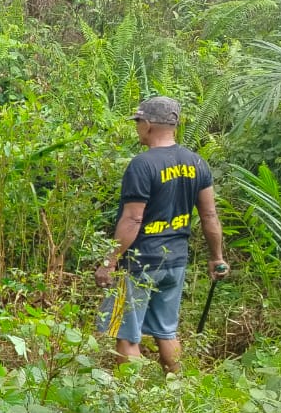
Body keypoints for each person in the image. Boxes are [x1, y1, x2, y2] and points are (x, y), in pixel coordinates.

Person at [95, 96, 229, 372]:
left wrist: (110, 261)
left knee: (126, 334)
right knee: (167, 332)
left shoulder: (142, 165)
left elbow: (133, 218)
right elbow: (209, 216)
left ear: (148, 125)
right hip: (175, 262)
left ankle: (131, 407)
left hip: (138, 263)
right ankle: (178, 394)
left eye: (138, 123)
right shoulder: (197, 163)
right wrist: (216, 257)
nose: (137, 129)